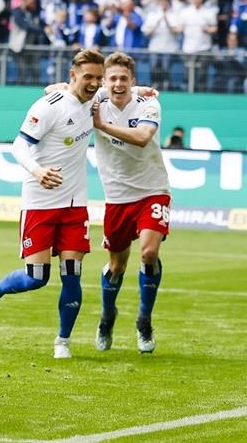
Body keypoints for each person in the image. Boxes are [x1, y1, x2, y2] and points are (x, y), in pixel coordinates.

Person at [0, 49, 105, 359]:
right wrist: (38, 171)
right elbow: (19, 145)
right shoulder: (48, 107)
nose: (94, 83)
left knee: (73, 273)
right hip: (40, 202)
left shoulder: (96, 100)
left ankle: (63, 342)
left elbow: (120, 86)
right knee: (36, 278)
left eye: (98, 78)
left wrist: (143, 91)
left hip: (74, 205)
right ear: (73, 75)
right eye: (88, 77)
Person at [91, 51, 171, 354]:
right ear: (104, 80)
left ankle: (144, 320)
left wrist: (102, 125)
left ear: (132, 80)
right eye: (112, 78)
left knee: (149, 253)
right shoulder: (95, 98)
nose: (118, 83)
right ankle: (107, 316)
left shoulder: (149, 103)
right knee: (116, 266)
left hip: (153, 190)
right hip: (117, 197)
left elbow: (141, 137)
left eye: (125, 79)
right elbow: (53, 90)